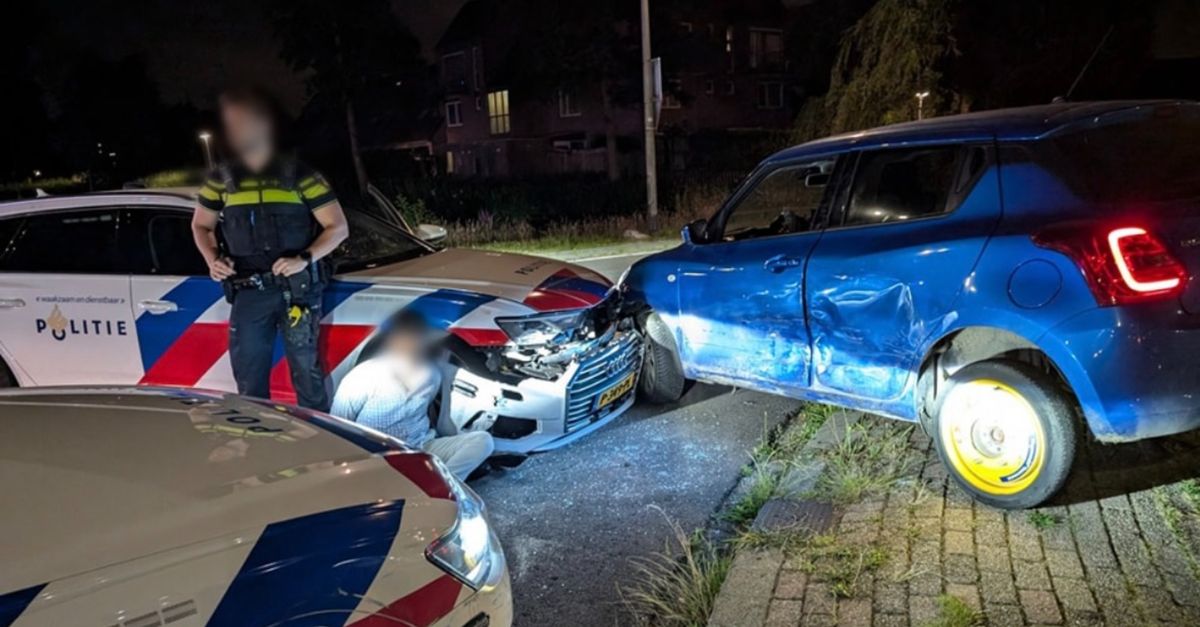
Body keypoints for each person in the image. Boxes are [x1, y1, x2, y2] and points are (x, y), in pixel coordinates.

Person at [191, 88, 349, 411]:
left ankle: (320, 444)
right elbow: (200, 226)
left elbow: (339, 228)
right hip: (249, 291)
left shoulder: (302, 176)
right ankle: (258, 449)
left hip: (297, 292)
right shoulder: (221, 180)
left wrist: (304, 258)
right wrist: (212, 259)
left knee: (307, 374)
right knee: (249, 379)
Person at [331, 311, 495, 481]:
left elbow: (433, 415)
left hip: (421, 447)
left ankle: (443, 487)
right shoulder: (365, 376)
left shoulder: (432, 375)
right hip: (378, 457)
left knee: (483, 441)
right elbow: (337, 425)